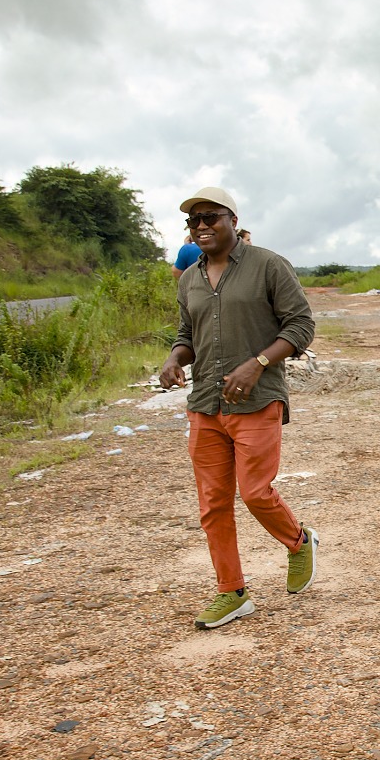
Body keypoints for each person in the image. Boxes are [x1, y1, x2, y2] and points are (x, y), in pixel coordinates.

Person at [159, 185, 318, 629]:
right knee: (212, 503)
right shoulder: (190, 278)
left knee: (254, 492)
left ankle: (299, 541)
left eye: (211, 217)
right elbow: (187, 336)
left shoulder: (268, 265)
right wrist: (174, 359)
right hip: (205, 404)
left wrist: (259, 362)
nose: (203, 226)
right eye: (194, 221)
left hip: (257, 400)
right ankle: (231, 591)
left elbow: (301, 325)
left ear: (233, 219)